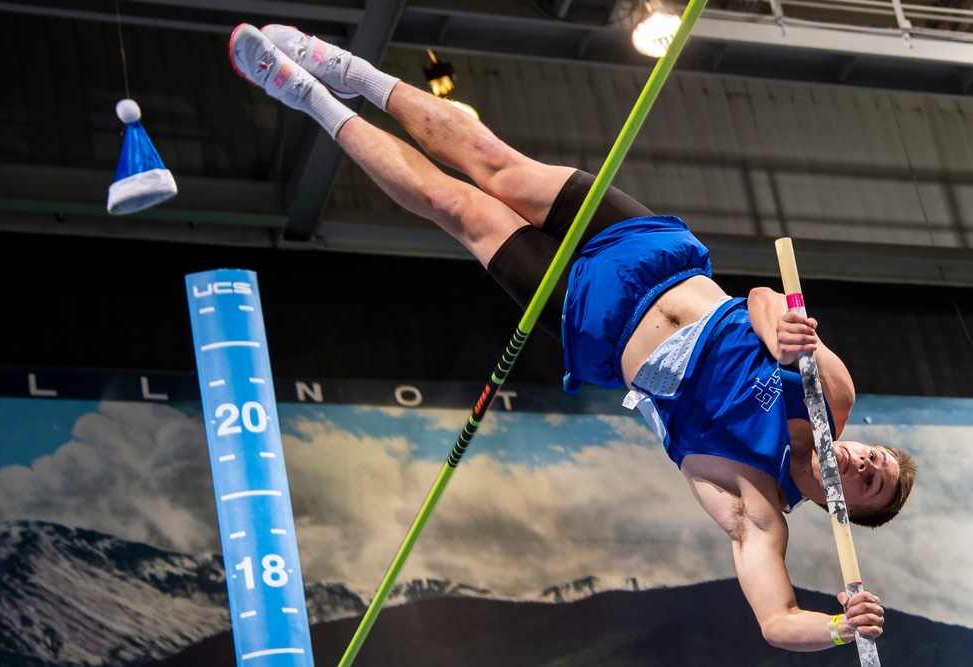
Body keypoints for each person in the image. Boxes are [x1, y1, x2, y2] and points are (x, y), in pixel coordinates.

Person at [228, 23, 917, 652]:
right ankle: (347, 68)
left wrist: (834, 625)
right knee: (491, 159)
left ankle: (310, 99)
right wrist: (784, 332)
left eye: (868, 483)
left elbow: (774, 620)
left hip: (593, 319)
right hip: (652, 254)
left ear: (845, 510)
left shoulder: (757, 509)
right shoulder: (831, 390)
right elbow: (764, 298)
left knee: (456, 207)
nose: (862, 463)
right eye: (874, 459)